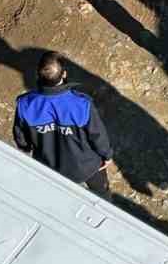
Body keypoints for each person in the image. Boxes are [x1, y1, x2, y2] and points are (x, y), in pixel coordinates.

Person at [13, 51, 114, 196]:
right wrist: (107, 155)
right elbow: (97, 135)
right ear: (64, 74)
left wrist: (27, 148)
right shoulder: (81, 104)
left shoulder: (25, 105)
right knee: (101, 194)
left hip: (51, 167)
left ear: (38, 75)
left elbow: (21, 139)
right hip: (87, 167)